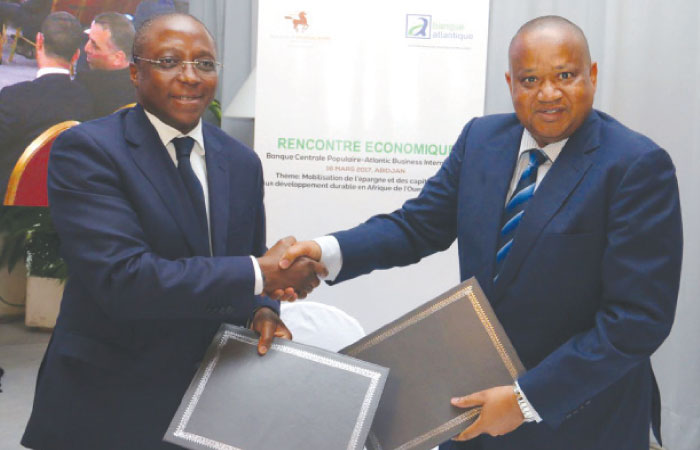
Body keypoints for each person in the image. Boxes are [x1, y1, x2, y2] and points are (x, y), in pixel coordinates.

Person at [280, 15, 683, 450]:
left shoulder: (636, 166)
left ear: (593, 75)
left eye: (565, 75)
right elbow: (418, 226)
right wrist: (324, 253)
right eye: (531, 79)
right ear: (511, 83)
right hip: (477, 411)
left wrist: (526, 400)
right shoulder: (482, 139)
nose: (548, 93)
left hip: (582, 418)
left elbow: (636, 322)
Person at [21, 13, 325, 450]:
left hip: (211, 398)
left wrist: (261, 310)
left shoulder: (241, 162)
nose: (189, 77)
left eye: (204, 63)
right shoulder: (89, 151)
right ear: (134, 71)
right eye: (168, 61)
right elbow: (124, 279)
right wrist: (260, 274)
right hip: (108, 404)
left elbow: (245, 256)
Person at [0, 11, 92, 196]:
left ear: (39, 41)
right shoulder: (85, 99)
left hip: (10, 198)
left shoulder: (14, 97)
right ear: (76, 55)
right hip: (58, 197)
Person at [75, 12, 137, 118]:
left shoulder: (84, 87)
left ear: (118, 58)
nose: (86, 48)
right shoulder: (145, 88)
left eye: (95, 46)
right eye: (88, 39)